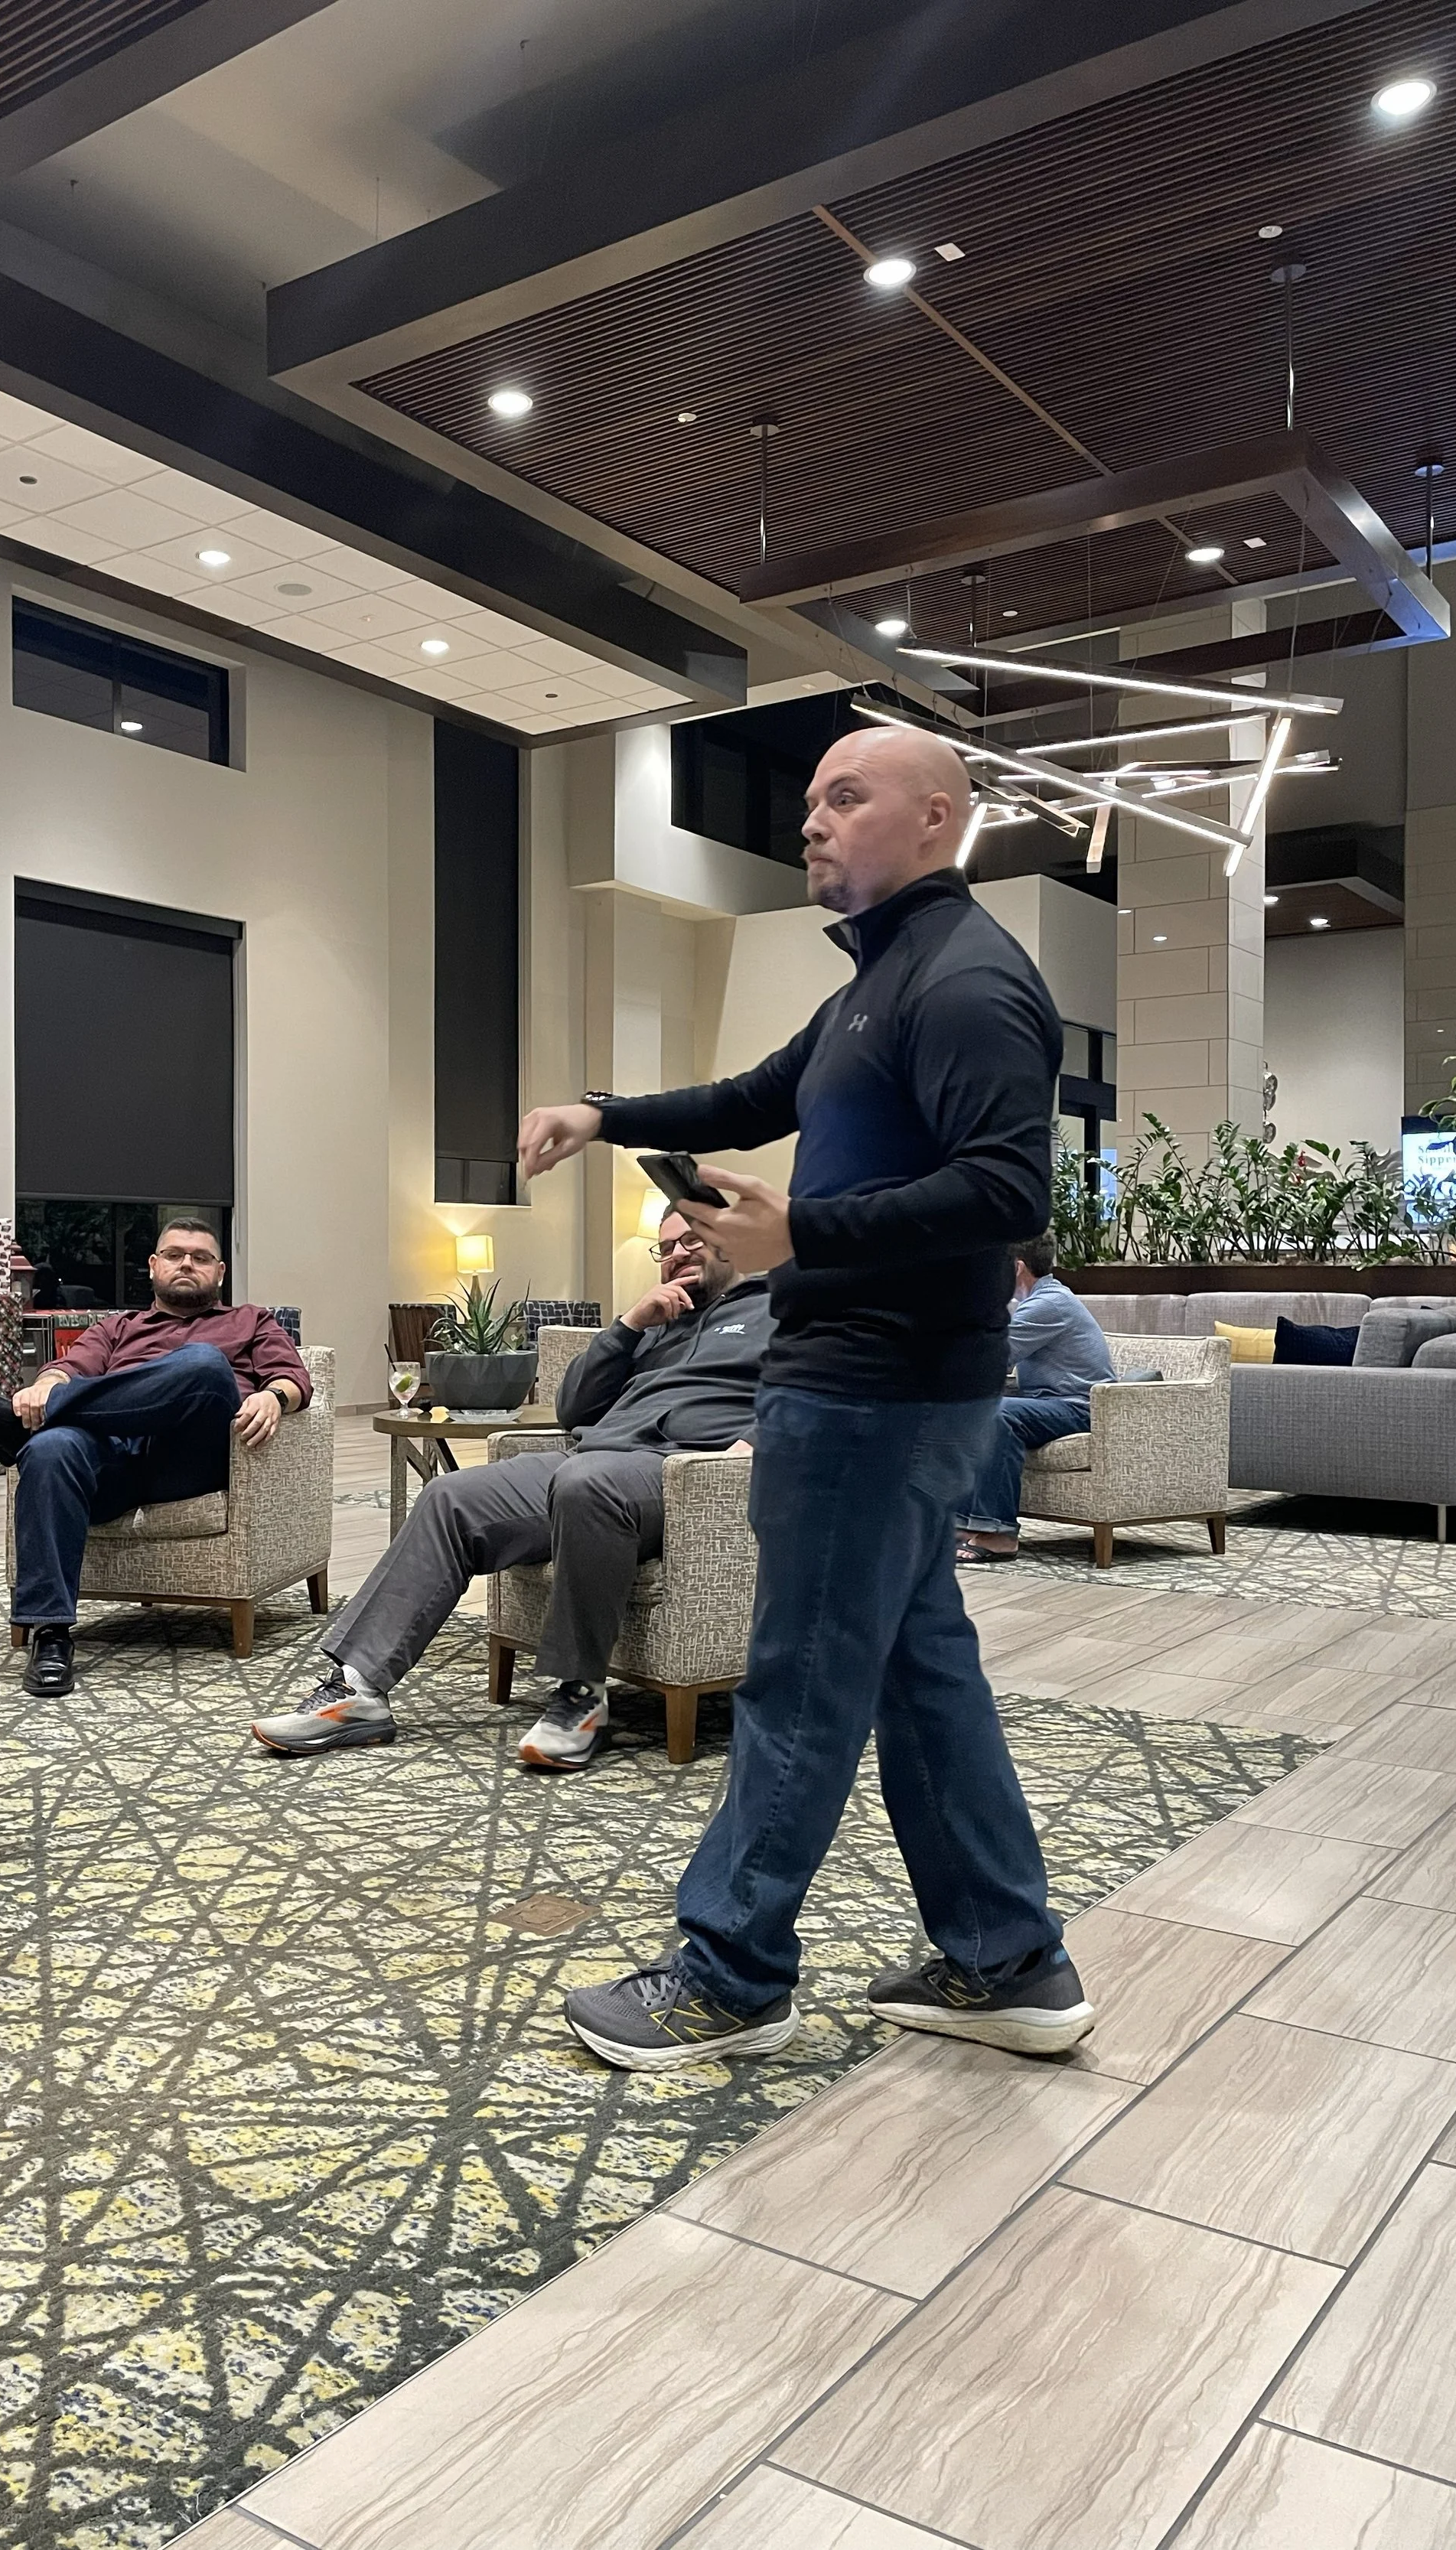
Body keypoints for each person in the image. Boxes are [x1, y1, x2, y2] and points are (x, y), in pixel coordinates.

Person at [516, 723, 1096, 2071]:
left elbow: (1012, 1194)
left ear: (939, 816)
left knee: (802, 1677)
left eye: (848, 797)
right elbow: (748, 1094)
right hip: (870, 1384)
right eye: (812, 801)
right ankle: (1010, 1958)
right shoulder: (872, 985)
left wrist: (806, 1238)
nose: (814, 822)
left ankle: (731, 1973)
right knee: (916, 1668)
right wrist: (605, 1110)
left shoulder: (965, 981)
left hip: (879, 1388)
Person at [251, 1213, 771, 1768]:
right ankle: (358, 1689)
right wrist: (628, 1324)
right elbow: (574, 1408)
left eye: (690, 1239)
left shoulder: (782, 1309)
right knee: (450, 1497)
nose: (676, 1254)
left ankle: (580, 1696)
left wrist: (755, 1444)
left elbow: (830, 1391)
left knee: (584, 1481)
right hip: (591, 1457)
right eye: (665, 1247)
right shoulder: (660, 1322)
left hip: (683, 1475)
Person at [0, 1218, 311, 1697]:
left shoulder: (250, 1320)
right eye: (175, 1255)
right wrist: (45, 1389)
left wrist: (274, 1398)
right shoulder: (116, 1328)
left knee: (203, 1364)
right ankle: (50, 1635)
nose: (186, 1265)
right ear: (154, 1266)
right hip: (112, 1462)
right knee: (51, 1448)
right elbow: (67, 1369)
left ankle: (13, 1429)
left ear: (218, 1273)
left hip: (192, 1459)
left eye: (200, 1259)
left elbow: (294, 1378)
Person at [957, 1235, 1116, 1565]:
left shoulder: (1049, 1305)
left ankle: (999, 1535)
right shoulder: (1039, 1301)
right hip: (1050, 1403)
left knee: (994, 1414)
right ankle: (963, 1524)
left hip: (1079, 1407)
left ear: (1016, 1268)